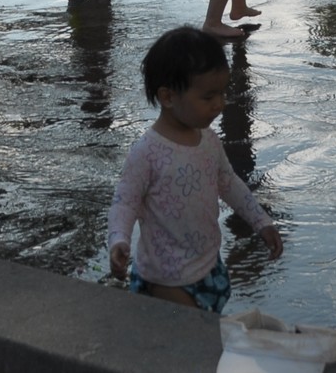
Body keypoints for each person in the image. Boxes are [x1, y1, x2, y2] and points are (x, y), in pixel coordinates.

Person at [108, 27, 282, 312]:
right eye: (208, 96)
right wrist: (118, 240)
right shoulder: (148, 152)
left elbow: (228, 183)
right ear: (168, 97)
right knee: (193, 342)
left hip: (207, 264)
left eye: (222, 92)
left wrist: (260, 220)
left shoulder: (209, 140)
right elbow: (124, 202)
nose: (220, 103)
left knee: (199, 344)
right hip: (165, 277)